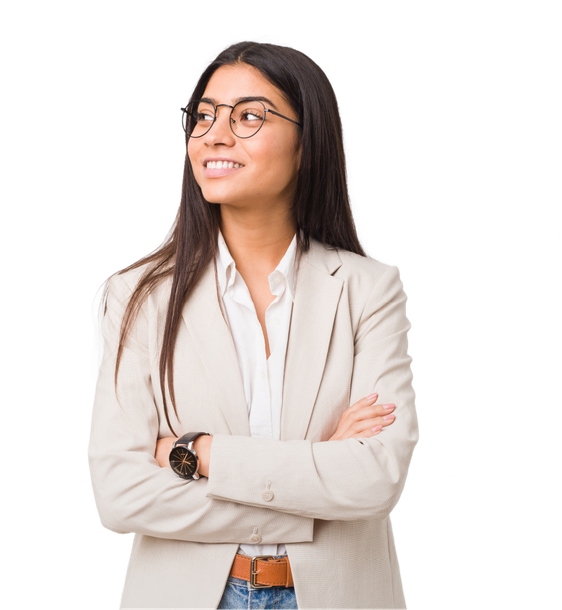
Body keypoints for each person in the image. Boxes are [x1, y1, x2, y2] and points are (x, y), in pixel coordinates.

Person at [87, 37, 418, 609]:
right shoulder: (134, 297)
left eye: (248, 118)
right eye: (204, 117)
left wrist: (199, 454)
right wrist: (313, 482)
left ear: (306, 143)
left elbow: (374, 477)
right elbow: (120, 495)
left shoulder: (369, 288)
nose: (214, 135)